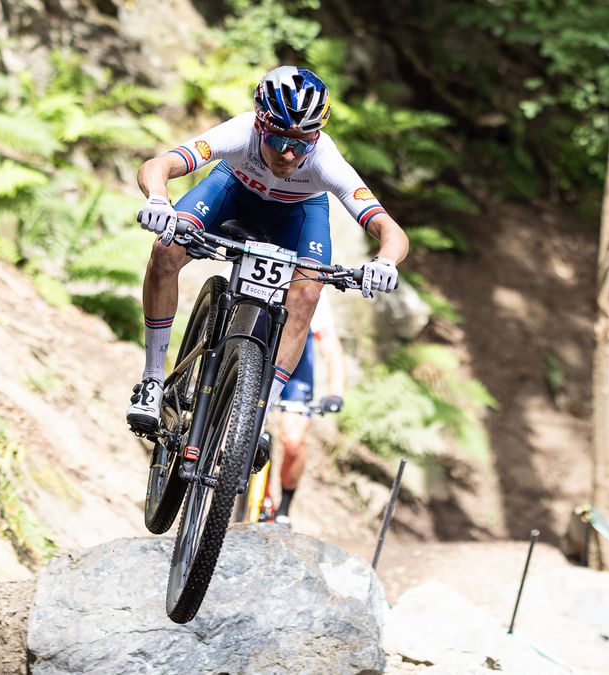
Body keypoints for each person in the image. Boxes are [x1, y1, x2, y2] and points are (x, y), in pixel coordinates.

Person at [125, 65, 409, 433]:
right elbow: (160, 165)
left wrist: (385, 260)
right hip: (232, 191)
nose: (288, 154)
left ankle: (255, 420)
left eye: (301, 144)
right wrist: (160, 200)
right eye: (277, 140)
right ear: (260, 125)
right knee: (166, 250)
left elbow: (389, 228)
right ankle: (151, 378)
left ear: (316, 138)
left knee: (307, 294)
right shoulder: (239, 131)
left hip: (298, 213)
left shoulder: (326, 158)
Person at [272, 299, 345, 525]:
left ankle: (283, 509)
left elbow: (331, 348)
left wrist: (336, 392)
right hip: (254, 354)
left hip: (296, 370)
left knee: (293, 442)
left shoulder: (309, 288)